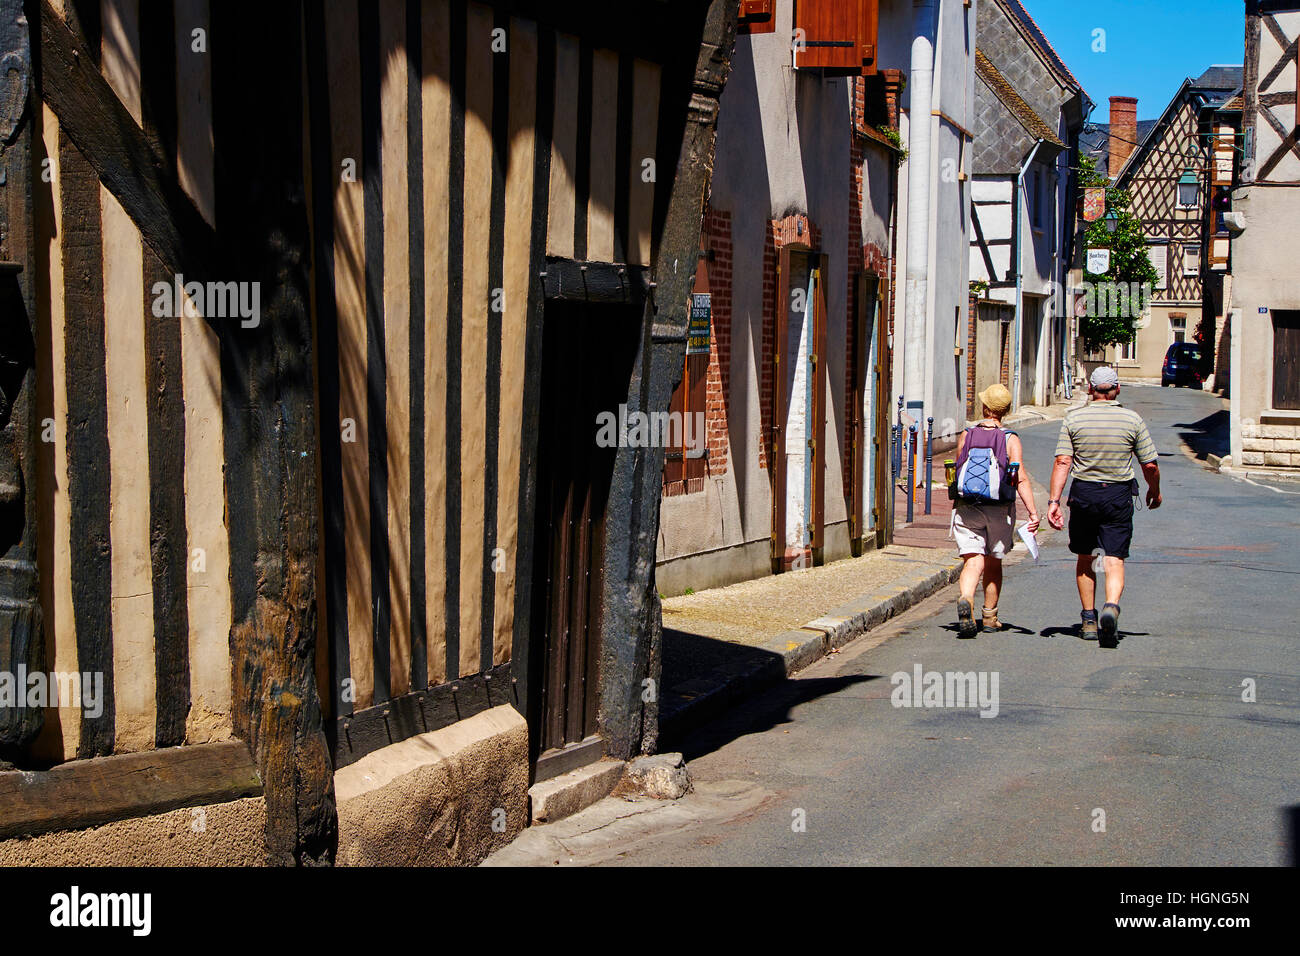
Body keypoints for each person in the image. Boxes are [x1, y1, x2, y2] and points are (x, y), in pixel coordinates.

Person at [1047, 366, 1161, 648]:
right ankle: (1110, 606)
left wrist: (1053, 501)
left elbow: (1063, 461)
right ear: (1117, 389)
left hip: (1084, 493)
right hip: (1117, 496)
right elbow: (1149, 464)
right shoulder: (1132, 419)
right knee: (1114, 557)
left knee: (1085, 557)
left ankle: (1088, 620)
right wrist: (1154, 491)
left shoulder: (1074, 419)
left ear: (1090, 389)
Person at [951, 384, 1040, 638]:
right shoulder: (1010, 438)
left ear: (984, 407)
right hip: (1000, 508)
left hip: (968, 506)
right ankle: (989, 617)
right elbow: (1020, 477)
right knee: (993, 561)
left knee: (972, 558)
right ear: (1007, 411)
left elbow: (959, 468)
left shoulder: (967, 434)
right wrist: (1033, 512)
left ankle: (966, 598)